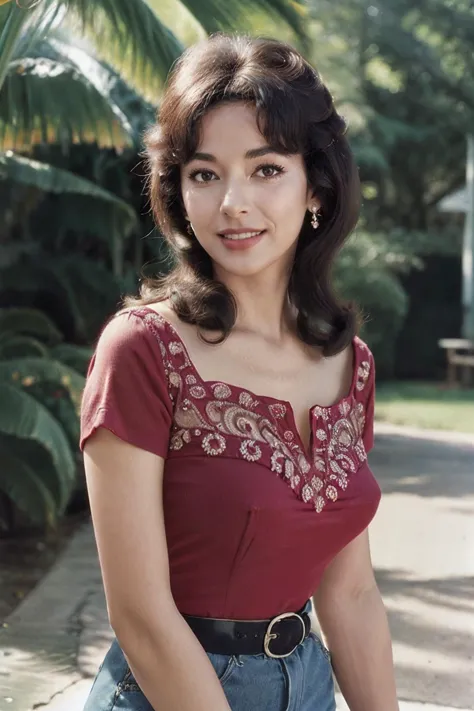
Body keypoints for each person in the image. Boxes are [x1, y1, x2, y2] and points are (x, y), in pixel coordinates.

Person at [79, 33, 399, 711]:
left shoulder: (351, 365)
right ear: (180, 192)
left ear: (315, 185)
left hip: (307, 686)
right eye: (205, 173)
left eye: (265, 169)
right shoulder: (142, 351)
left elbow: (350, 592)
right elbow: (140, 615)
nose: (232, 202)